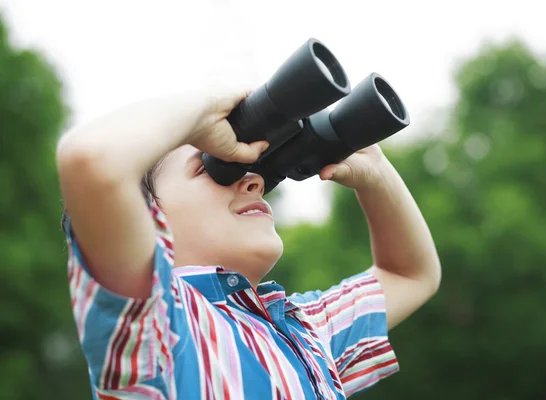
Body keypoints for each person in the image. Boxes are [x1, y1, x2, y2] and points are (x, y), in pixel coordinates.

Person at [56, 86, 442, 399]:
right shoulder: (156, 324)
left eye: (256, 170)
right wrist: (205, 109)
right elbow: (92, 162)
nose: (255, 181)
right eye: (216, 167)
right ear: (145, 219)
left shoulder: (304, 332)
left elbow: (409, 274)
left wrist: (376, 174)